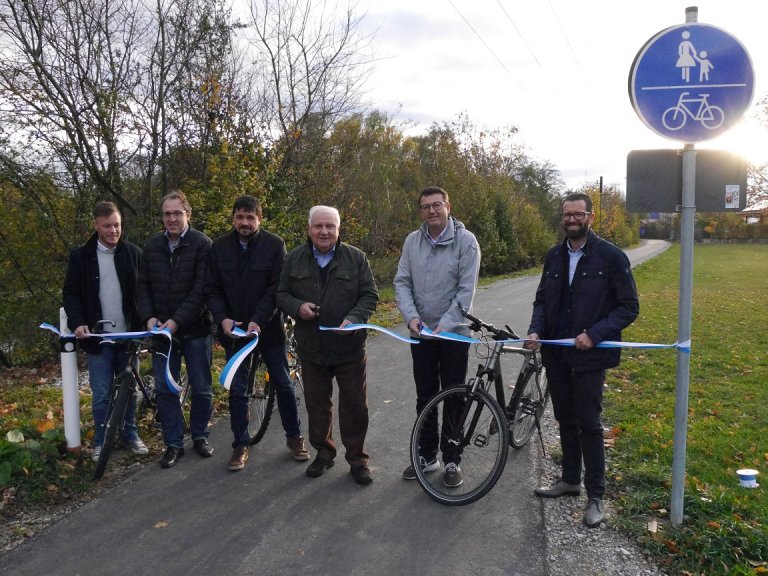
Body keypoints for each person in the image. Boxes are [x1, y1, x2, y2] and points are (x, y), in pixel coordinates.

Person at [525, 192, 639, 527]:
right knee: (564, 418)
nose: (571, 220)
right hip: (557, 354)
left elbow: (629, 307)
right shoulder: (554, 256)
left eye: (578, 214)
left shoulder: (612, 258)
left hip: (590, 357)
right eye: (566, 215)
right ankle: (570, 480)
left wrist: (595, 334)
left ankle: (597, 497)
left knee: (589, 422)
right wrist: (535, 331)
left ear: (590, 217)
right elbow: (542, 301)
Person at [276, 206, 378, 485]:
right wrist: (298, 307)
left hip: (350, 348)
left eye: (330, 227)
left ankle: (357, 459)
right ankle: (324, 452)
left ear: (338, 229)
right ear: (309, 228)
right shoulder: (294, 258)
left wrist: (354, 318)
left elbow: (370, 295)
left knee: (355, 406)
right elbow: (281, 294)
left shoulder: (356, 258)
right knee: (317, 406)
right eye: (319, 226)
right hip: (312, 348)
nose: (324, 231)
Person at [206, 195, 309, 472]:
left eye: (250, 218)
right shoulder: (219, 248)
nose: (245, 222)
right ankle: (241, 444)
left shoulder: (274, 245)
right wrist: (222, 319)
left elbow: (276, 288)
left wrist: (258, 320)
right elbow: (212, 289)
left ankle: (294, 437)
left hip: (268, 330)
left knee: (283, 384)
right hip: (234, 332)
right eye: (240, 217)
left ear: (259, 219)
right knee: (238, 389)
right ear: (233, 219)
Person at [394, 186, 480, 488]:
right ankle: (427, 456)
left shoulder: (466, 242)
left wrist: (444, 324)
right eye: (425, 206)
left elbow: (465, 290)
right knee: (426, 396)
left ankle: (453, 459)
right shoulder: (412, 242)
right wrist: (412, 317)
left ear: (448, 206)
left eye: (437, 205)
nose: (431, 211)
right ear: (421, 211)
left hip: (454, 335)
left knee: (454, 395)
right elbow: (402, 282)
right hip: (421, 335)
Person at [63, 201, 148, 461]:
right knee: (101, 394)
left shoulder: (134, 253)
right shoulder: (81, 257)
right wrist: (77, 322)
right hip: (97, 340)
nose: (113, 231)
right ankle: (101, 440)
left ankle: (130, 434)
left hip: (128, 337)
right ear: (96, 225)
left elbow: (145, 292)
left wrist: (147, 322)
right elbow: (71, 293)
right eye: (107, 226)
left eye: (117, 225)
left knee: (129, 388)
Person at [137, 191, 214, 468]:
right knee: (165, 389)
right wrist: (148, 318)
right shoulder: (151, 247)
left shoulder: (202, 244)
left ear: (187, 215)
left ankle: (200, 436)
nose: (171, 218)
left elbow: (201, 290)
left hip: (195, 330)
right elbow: (142, 287)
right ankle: (172, 444)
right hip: (161, 335)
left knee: (202, 388)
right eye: (167, 213)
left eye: (176, 213)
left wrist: (176, 321)